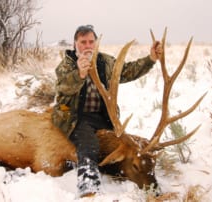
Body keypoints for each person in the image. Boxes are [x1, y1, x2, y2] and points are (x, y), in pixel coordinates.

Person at [52, 24, 162, 198]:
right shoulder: (67, 65)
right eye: (83, 42)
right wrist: (79, 74)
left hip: (103, 118)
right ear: (75, 44)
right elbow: (63, 87)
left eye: (91, 42)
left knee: (128, 147)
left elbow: (127, 71)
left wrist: (150, 59)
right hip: (73, 117)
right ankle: (88, 187)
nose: (87, 46)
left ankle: (140, 177)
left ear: (96, 43)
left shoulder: (106, 62)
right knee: (89, 144)